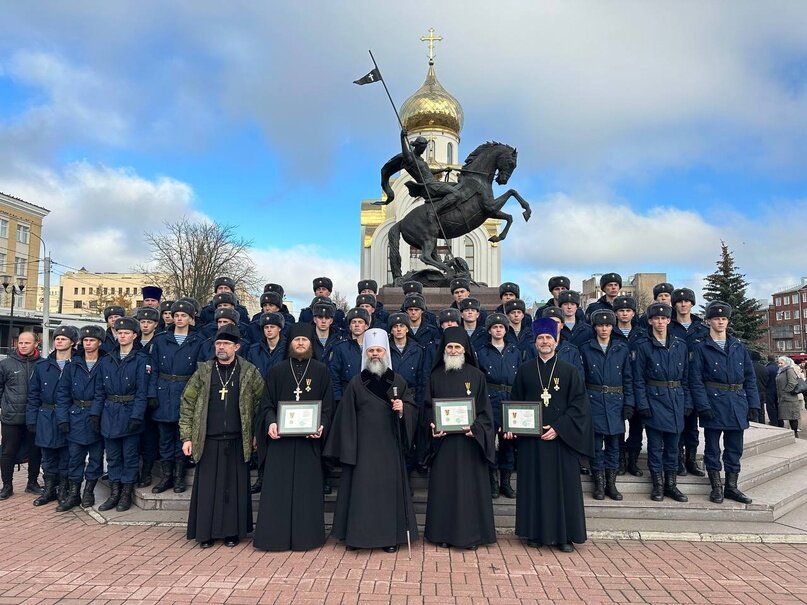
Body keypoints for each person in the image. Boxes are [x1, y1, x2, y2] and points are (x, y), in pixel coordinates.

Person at [323, 328, 418, 552]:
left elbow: (413, 408)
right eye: (372, 350)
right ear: (366, 353)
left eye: (379, 350)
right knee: (360, 493)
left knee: (387, 493)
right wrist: (349, 447)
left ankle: (389, 538)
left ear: (386, 353)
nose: (375, 354)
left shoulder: (398, 381)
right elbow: (345, 416)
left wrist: (403, 409)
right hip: (362, 447)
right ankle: (356, 537)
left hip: (389, 445)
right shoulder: (356, 382)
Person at [506, 318, 593, 553]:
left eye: (549, 338)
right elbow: (516, 402)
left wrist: (559, 428)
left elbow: (579, 406)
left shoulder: (569, 371)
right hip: (531, 442)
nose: (545, 342)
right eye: (541, 339)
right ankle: (534, 533)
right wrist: (512, 425)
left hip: (560, 441)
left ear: (557, 341)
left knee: (561, 489)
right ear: (535, 343)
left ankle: (564, 535)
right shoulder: (525, 370)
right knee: (534, 487)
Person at [180, 325, 265, 548]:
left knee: (233, 490)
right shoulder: (204, 371)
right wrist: (187, 437)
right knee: (208, 489)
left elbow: (261, 405)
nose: (221, 348)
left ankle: (232, 533)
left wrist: (256, 434)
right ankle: (205, 533)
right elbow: (187, 404)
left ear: (236, 346)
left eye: (226, 344)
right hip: (208, 440)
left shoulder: (249, 372)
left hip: (237, 440)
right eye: (218, 344)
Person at [253, 323, 334, 551]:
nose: (300, 343)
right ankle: (274, 538)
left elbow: (327, 408)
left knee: (306, 491)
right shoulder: (277, 370)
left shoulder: (320, 370)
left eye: (305, 341)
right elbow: (266, 404)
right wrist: (270, 423)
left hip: (309, 442)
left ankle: (307, 537)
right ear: (290, 344)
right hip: (281, 443)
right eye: (296, 340)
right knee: (278, 490)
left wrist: (321, 425)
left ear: (311, 344)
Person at [424, 327, 496, 551]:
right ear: (443, 350)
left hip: (469, 445)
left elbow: (486, 413)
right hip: (444, 444)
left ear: (465, 350)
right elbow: (427, 408)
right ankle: (442, 534)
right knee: (445, 489)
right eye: (450, 347)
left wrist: (475, 428)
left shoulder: (477, 376)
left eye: (457, 347)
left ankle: (471, 536)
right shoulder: (435, 376)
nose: (453, 351)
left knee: (469, 490)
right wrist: (432, 426)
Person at [689, 301, 760, 505]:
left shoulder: (738, 347)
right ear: (709, 321)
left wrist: (753, 404)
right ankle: (716, 487)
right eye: (716, 319)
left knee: (734, 449)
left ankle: (731, 486)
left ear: (727, 321)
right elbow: (696, 380)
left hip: (737, 403)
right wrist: (703, 405)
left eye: (723, 318)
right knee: (712, 449)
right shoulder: (701, 348)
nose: (720, 322)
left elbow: (750, 377)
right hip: (713, 403)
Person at [632, 303, 691, 503]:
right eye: (655, 318)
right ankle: (657, 484)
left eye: (663, 318)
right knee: (655, 447)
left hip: (675, 399)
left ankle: (671, 485)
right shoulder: (643, 346)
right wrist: (642, 404)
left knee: (673, 448)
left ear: (668, 320)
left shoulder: (680, 345)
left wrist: (687, 401)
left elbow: (686, 378)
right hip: (654, 399)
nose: (660, 321)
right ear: (650, 321)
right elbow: (638, 379)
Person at [91, 317, 149, 512]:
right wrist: (95, 414)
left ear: (134, 335)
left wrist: (137, 416)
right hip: (109, 412)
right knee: (113, 457)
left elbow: (142, 391)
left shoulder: (141, 359)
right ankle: (114, 493)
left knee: (130, 457)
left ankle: (126, 493)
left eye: (126, 333)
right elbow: (99, 391)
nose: (122, 336)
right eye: (119, 333)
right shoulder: (107, 360)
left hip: (129, 410)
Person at [148, 300, 206, 494]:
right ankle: (167, 477)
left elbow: (200, 371)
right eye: (177, 315)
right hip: (163, 391)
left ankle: (179, 477)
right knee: (165, 437)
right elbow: (153, 368)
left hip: (186, 390)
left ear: (191, 318)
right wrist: (152, 393)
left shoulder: (198, 341)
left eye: (184, 315)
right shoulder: (160, 339)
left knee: (183, 436)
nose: (180, 319)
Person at [579, 309, 633, 501]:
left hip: (615, 402)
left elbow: (628, 378)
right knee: (596, 446)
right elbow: (581, 380)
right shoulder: (586, 348)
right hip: (594, 401)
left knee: (614, 445)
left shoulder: (621, 348)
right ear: (595, 327)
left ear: (613, 327)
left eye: (608, 325)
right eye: (600, 325)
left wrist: (629, 403)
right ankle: (599, 484)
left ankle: (611, 483)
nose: (604, 329)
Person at [54, 325, 106, 511]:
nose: (88, 343)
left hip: (98, 417)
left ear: (99, 342)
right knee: (74, 458)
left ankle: (89, 492)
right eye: (85, 340)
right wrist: (63, 418)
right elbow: (63, 394)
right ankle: (74, 493)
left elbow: (103, 392)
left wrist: (96, 413)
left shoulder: (105, 364)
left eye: (92, 340)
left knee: (95, 458)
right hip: (75, 415)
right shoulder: (72, 365)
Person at [27, 325, 78, 507]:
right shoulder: (42, 366)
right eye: (57, 338)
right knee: (47, 456)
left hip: (70, 415)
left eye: (64, 338)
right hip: (46, 416)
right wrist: (32, 419)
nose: (59, 341)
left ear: (73, 342)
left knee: (66, 456)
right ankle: (49, 490)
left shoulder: (78, 364)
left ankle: (63, 489)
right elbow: (33, 395)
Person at [476, 312, 521, 499]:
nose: (498, 330)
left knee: (508, 442)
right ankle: (492, 482)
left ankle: (506, 482)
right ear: (489, 330)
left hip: (510, 399)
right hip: (490, 399)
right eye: (494, 327)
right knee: (490, 442)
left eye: (501, 327)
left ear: (506, 329)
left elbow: (520, 378)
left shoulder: (515, 351)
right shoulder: (482, 352)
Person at [245, 311, 287, 494]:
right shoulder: (254, 349)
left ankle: (277, 476)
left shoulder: (286, 348)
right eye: (266, 327)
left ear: (279, 329)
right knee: (260, 440)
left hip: (281, 398)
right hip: (259, 397)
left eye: (272, 327)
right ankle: (262, 477)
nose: (269, 330)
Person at [670, 288, 709, 478]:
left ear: (692, 304)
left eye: (687, 301)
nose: (683, 304)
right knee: (677, 423)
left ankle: (691, 460)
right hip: (676, 381)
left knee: (692, 426)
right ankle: (677, 459)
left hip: (696, 382)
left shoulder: (702, 329)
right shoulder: (668, 327)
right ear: (675, 304)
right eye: (679, 301)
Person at [0, 331, 43, 500]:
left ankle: (32, 483)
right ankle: (7, 486)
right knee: (7, 452)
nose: (23, 345)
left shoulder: (43, 364)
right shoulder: (6, 364)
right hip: (12, 417)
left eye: (27, 342)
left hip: (35, 417)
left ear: (36, 344)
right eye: (20, 343)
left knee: (35, 451)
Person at [776, 356, 802, 437]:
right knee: (789, 416)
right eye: (779, 363)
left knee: (793, 417)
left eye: (781, 363)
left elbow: (792, 383)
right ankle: (793, 433)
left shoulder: (789, 370)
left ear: (786, 363)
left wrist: (785, 392)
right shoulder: (781, 371)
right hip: (784, 398)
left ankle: (795, 434)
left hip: (790, 398)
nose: (779, 364)